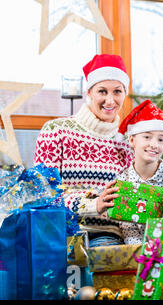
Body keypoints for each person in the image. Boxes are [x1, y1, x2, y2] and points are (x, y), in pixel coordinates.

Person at [34, 54, 134, 245]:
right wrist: (91, 204)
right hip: (64, 232)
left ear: (124, 94)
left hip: (111, 236)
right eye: (102, 91)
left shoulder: (126, 142)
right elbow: (43, 194)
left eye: (117, 92)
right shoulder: (56, 131)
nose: (110, 100)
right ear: (89, 93)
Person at [111, 99, 163, 244]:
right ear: (132, 140)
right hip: (133, 252)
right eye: (147, 137)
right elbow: (127, 227)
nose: (154, 145)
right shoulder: (122, 180)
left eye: (161, 140)